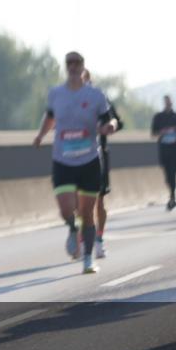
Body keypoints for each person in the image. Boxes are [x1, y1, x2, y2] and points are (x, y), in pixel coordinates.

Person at [33, 52, 118, 274]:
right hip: (63, 160)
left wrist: (110, 126)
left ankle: (88, 258)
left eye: (76, 62)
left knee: (87, 212)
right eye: (68, 63)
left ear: (83, 67)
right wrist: (41, 135)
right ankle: (72, 228)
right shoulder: (56, 94)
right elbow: (50, 117)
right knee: (66, 208)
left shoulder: (96, 95)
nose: (72, 66)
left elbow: (109, 118)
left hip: (89, 160)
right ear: (66, 67)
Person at [80, 69, 123, 259]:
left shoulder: (100, 98)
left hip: (98, 156)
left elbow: (116, 120)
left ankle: (98, 239)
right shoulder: (68, 100)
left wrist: (111, 125)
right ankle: (83, 239)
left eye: (85, 79)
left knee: (98, 200)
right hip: (75, 157)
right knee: (80, 203)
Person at [151, 95, 176, 210]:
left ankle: (172, 196)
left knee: (173, 173)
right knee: (168, 175)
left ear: (172, 103)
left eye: (169, 102)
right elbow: (153, 133)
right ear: (164, 103)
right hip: (163, 149)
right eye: (166, 102)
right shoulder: (158, 117)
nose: (168, 104)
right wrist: (161, 133)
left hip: (175, 149)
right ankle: (172, 194)